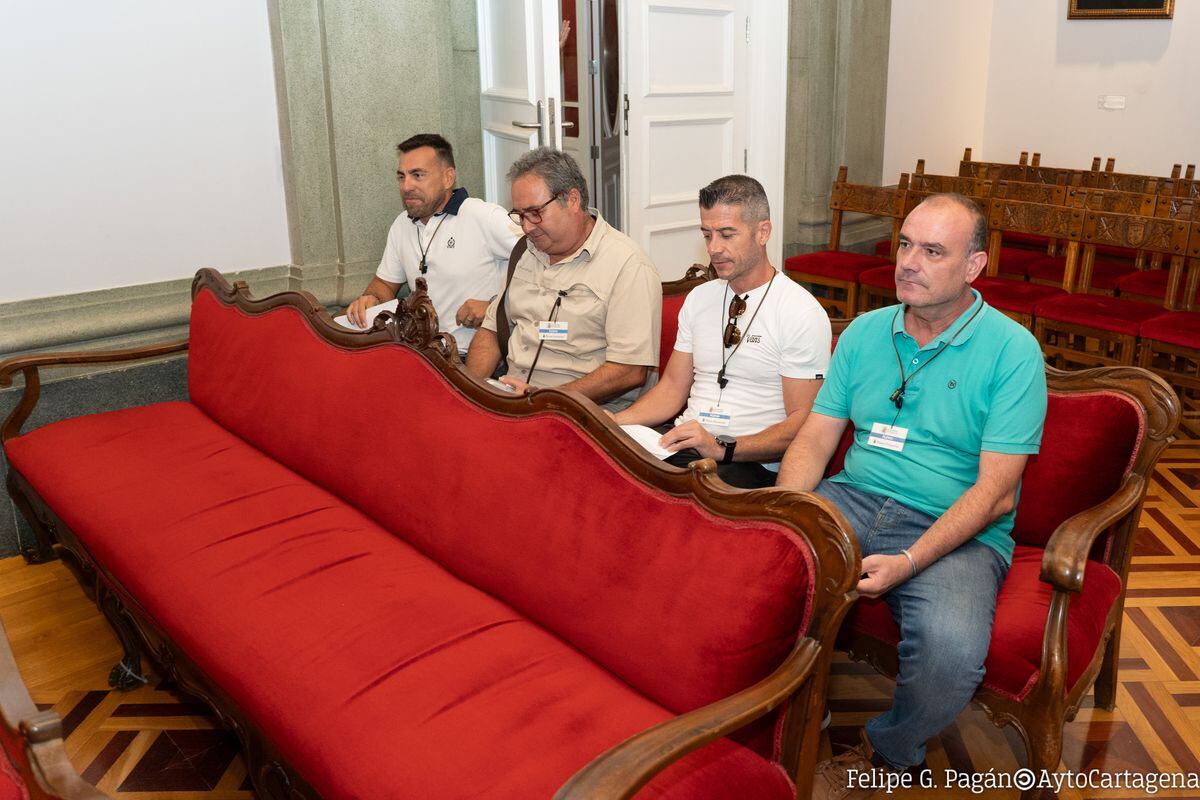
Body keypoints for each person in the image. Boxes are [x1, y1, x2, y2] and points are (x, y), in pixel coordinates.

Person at [775, 193, 1047, 799]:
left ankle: (893, 749)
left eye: (932, 251)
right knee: (751, 575)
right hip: (852, 498)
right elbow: (816, 441)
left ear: (974, 266)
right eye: (904, 244)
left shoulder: (1012, 352)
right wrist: (780, 518)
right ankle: (784, 721)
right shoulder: (866, 333)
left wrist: (909, 562)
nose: (909, 262)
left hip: (956, 528)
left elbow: (997, 494)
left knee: (950, 660)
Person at [613, 175, 829, 488]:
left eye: (727, 235)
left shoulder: (800, 312)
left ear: (762, 232)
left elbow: (803, 423)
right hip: (685, 446)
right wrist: (613, 423)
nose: (714, 248)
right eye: (707, 234)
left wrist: (723, 447)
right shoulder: (700, 298)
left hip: (749, 461)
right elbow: (673, 387)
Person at [466, 148, 661, 411]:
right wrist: (471, 394)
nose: (526, 226)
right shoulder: (525, 251)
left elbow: (629, 370)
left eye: (535, 212)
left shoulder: (627, 265)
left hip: (583, 413)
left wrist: (545, 400)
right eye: (520, 215)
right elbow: (491, 330)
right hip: (513, 401)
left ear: (572, 200)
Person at [345, 133, 519, 352]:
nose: (406, 186)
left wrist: (496, 307)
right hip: (420, 354)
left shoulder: (484, 216)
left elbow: (541, 264)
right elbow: (385, 284)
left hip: (473, 356)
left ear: (448, 178)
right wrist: (371, 298)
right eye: (401, 177)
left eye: (418, 175)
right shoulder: (402, 224)